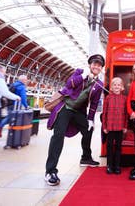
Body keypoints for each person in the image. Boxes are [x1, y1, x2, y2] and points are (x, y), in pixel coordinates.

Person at [44, 54, 105, 186]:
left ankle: (86, 157)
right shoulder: (79, 73)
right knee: (58, 136)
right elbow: (69, 84)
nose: (96, 66)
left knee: (88, 130)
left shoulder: (99, 84)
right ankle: (50, 171)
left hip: (79, 112)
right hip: (65, 108)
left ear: (101, 68)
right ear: (90, 65)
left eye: (99, 65)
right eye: (94, 64)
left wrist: (90, 120)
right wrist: (84, 76)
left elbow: (94, 104)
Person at [102, 77, 128, 175]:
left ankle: (117, 166)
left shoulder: (124, 98)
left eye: (118, 85)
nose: (116, 86)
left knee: (118, 147)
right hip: (110, 127)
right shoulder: (108, 98)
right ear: (111, 87)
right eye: (114, 85)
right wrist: (104, 126)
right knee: (109, 147)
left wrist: (125, 126)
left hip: (120, 127)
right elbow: (104, 113)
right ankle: (109, 166)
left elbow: (126, 114)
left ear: (122, 87)